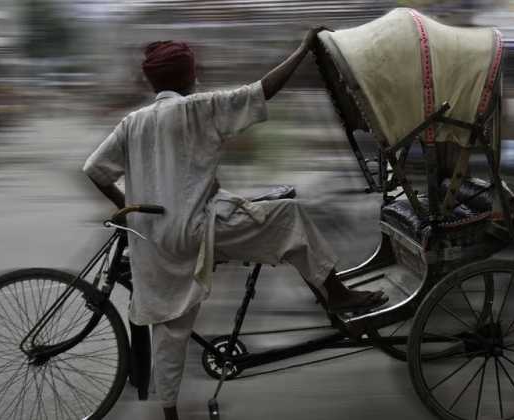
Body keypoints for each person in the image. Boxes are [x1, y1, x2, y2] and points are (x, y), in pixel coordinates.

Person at [83, 28, 387, 420]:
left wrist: (129, 208)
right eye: (193, 73)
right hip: (199, 230)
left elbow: (95, 170)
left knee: (170, 328)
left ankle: (170, 413)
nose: (198, 79)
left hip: (155, 238)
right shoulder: (198, 108)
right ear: (184, 77)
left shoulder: (133, 122)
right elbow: (262, 91)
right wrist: (301, 49)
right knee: (289, 216)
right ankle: (337, 294)